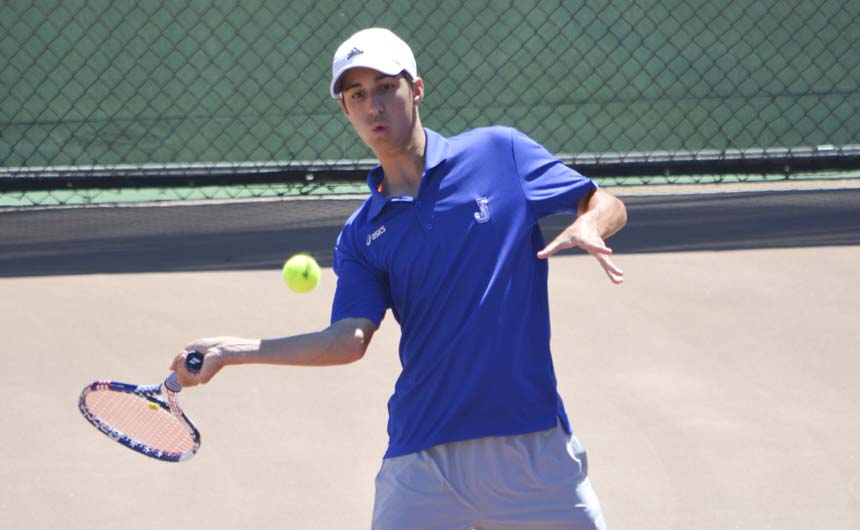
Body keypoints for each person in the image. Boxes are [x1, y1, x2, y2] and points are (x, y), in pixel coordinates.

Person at [171, 27, 627, 529]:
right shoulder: (362, 235)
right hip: (422, 461)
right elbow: (348, 340)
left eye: (386, 87)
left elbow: (605, 201)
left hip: (531, 447)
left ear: (417, 89)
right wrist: (233, 350)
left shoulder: (501, 153)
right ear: (346, 110)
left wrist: (592, 222)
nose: (374, 105)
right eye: (357, 95)